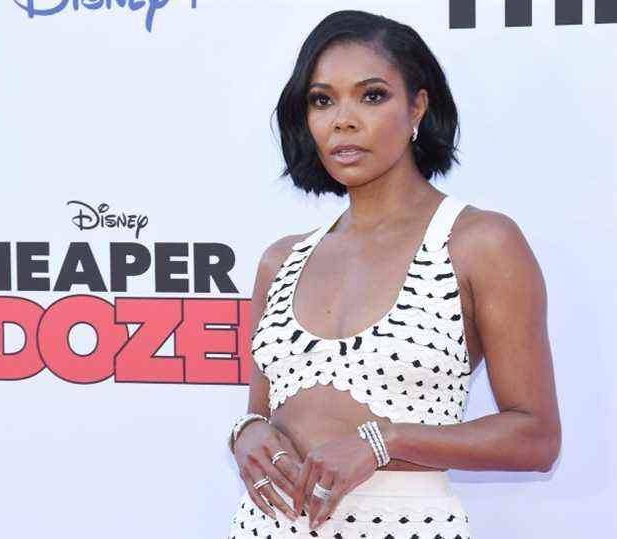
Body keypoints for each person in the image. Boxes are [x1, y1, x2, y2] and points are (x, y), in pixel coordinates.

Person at [227, 9, 561, 539]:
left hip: (404, 524)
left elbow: (536, 438)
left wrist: (386, 441)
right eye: (322, 100)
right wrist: (245, 436)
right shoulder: (281, 260)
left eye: (372, 95)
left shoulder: (480, 243)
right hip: (267, 528)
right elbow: (260, 414)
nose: (343, 119)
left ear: (418, 107)